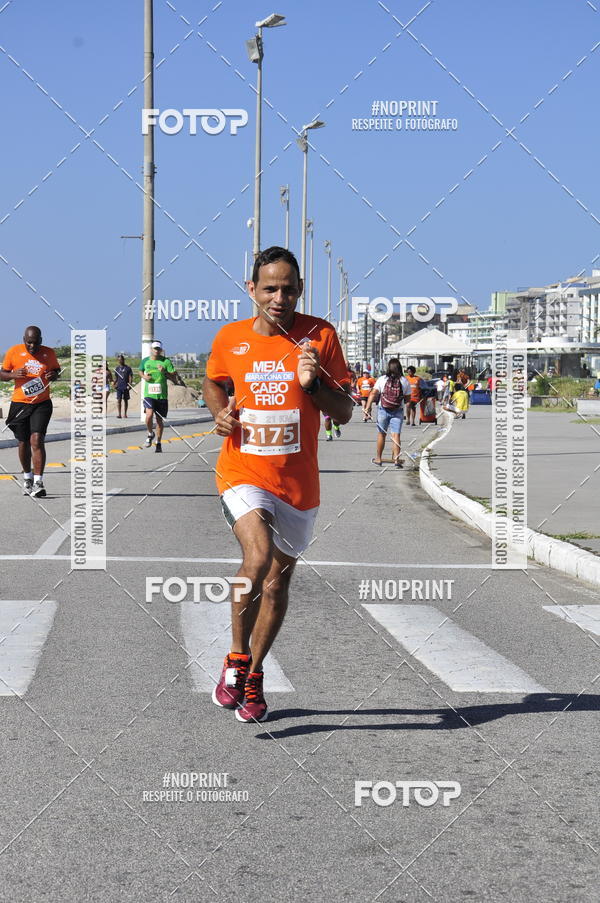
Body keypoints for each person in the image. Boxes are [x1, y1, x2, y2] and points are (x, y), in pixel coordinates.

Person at [203, 246, 352, 723]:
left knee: (276, 584)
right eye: (270, 288)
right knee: (258, 555)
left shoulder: (320, 336)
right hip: (242, 473)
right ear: (252, 289)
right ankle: (236, 657)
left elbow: (345, 411)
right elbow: (213, 382)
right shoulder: (230, 337)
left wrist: (312, 385)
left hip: (298, 485)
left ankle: (255, 673)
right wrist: (219, 414)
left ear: (300, 290)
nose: (279, 297)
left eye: (288, 289)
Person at [0, 325, 60, 497]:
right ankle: (27, 478)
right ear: (24, 340)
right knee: (23, 442)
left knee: (37, 439)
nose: (32, 346)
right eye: (29, 342)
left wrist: (54, 375)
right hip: (20, 404)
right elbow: (2, 374)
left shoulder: (49, 353)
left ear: (41, 340)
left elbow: (56, 370)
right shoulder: (14, 352)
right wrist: (12, 375)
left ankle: (38, 482)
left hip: (42, 403)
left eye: (35, 342)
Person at [365, 358, 410, 468]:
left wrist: (368, 407)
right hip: (398, 410)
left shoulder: (382, 379)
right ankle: (396, 460)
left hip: (383, 410)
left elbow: (373, 393)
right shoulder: (404, 381)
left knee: (381, 434)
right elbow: (408, 399)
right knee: (396, 435)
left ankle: (378, 458)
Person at [139, 341, 179, 452]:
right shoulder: (145, 361)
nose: (156, 350)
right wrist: (144, 377)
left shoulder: (166, 361)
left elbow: (174, 376)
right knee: (149, 415)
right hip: (149, 394)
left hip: (161, 395)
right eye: (154, 348)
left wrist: (165, 371)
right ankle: (150, 433)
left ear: (161, 350)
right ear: (151, 349)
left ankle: (158, 442)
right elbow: (140, 371)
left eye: (158, 349)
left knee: (159, 420)